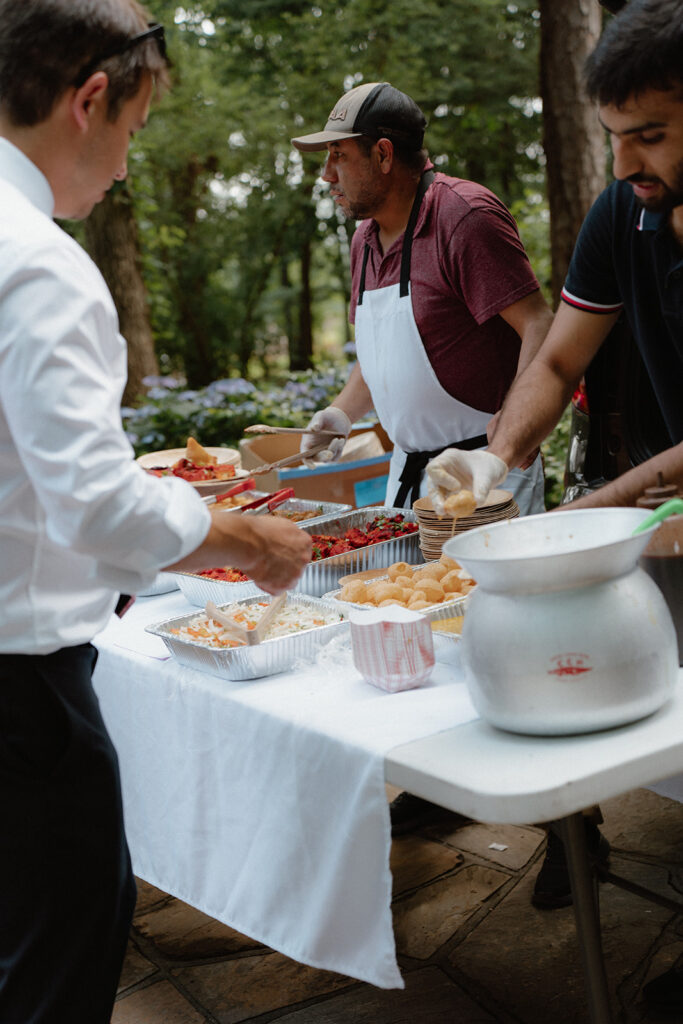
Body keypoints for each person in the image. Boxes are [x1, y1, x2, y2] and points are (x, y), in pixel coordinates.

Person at [0, 3, 311, 1022]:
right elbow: (93, 504)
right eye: (132, 133)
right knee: (64, 950)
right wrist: (246, 534)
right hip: (21, 694)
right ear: (91, 101)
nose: (127, 165)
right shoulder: (39, 264)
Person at [425, 0, 683, 1001]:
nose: (625, 164)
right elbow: (560, 354)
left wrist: (603, 506)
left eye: (651, 135)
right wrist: (491, 464)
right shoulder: (623, 213)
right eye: (615, 138)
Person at [291, 81, 554, 517]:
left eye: (338, 155)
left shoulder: (463, 216)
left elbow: (539, 325)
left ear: (383, 154)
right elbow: (384, 356)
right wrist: (340, 413)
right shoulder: (364, 239)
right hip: (407, 477)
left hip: (484, 474)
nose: (326, 174)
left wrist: (515, 431)